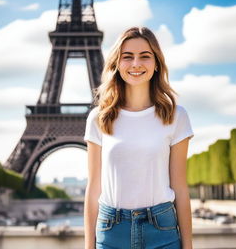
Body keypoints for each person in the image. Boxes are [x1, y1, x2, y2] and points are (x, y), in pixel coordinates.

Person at [83, 26, 194, 249]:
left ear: (156, 64)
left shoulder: (176, 116)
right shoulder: (99, 118)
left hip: (162, 230)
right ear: (116, 64)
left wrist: (188, 245)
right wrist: (88, 246)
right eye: (127, 57)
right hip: (111, 231)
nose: (136, 64)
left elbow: (180, 187)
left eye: (145, 56)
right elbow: (94, 188)